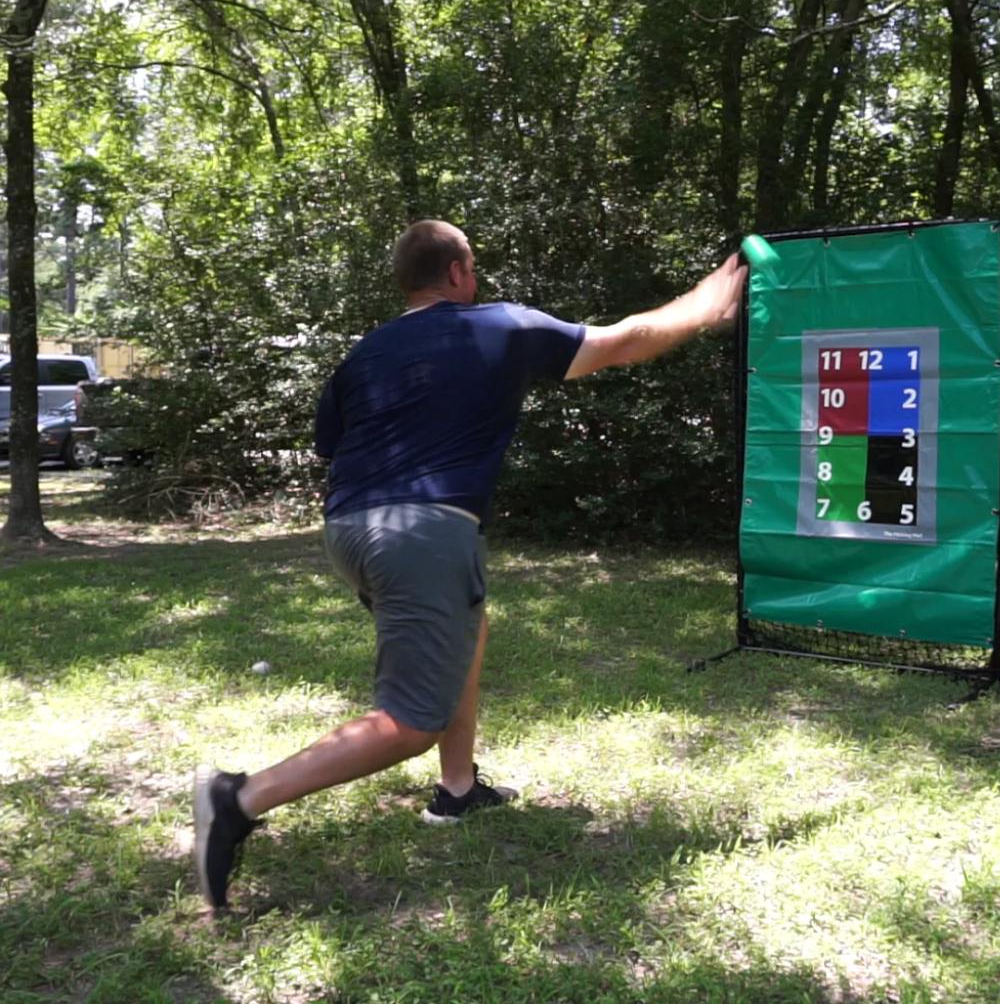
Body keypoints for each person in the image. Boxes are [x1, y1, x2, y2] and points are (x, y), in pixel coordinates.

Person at [193, 220, 746, 908]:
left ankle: (458, 792)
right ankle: (239, 798)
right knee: (410, 720)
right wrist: (701, 305)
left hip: (348, 528)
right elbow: (622, 342)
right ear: (457, 272)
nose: (476, 277)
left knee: (469, 630)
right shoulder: (499, 326)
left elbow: (332, 442)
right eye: (473, 266)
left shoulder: (365, 353)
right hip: (421, 533)